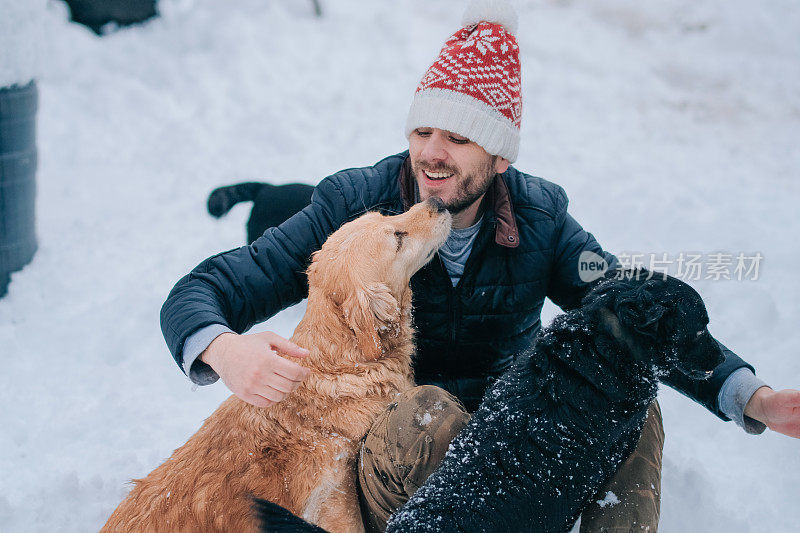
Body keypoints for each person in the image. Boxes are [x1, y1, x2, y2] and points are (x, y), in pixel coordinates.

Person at [160, 2, 800, 531]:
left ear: (500, 158)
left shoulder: (542, 216)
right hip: (404, 454)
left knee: (629, 390)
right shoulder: (358, 208)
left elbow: (634, 313)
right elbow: (207, 287)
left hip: (508, 441)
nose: (431, 156)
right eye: (422, 133)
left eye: (458, 138)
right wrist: (224, 349)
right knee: (427, 414)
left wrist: (753, 398)